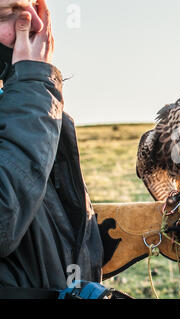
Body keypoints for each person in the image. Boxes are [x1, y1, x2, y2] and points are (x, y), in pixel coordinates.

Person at [0, 0, 108, 298]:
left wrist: (149, 227)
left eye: (33, 7)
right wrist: (34, 87)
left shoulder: (16, 103)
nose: (35, 23)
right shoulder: (29, 99)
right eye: (9, 14)